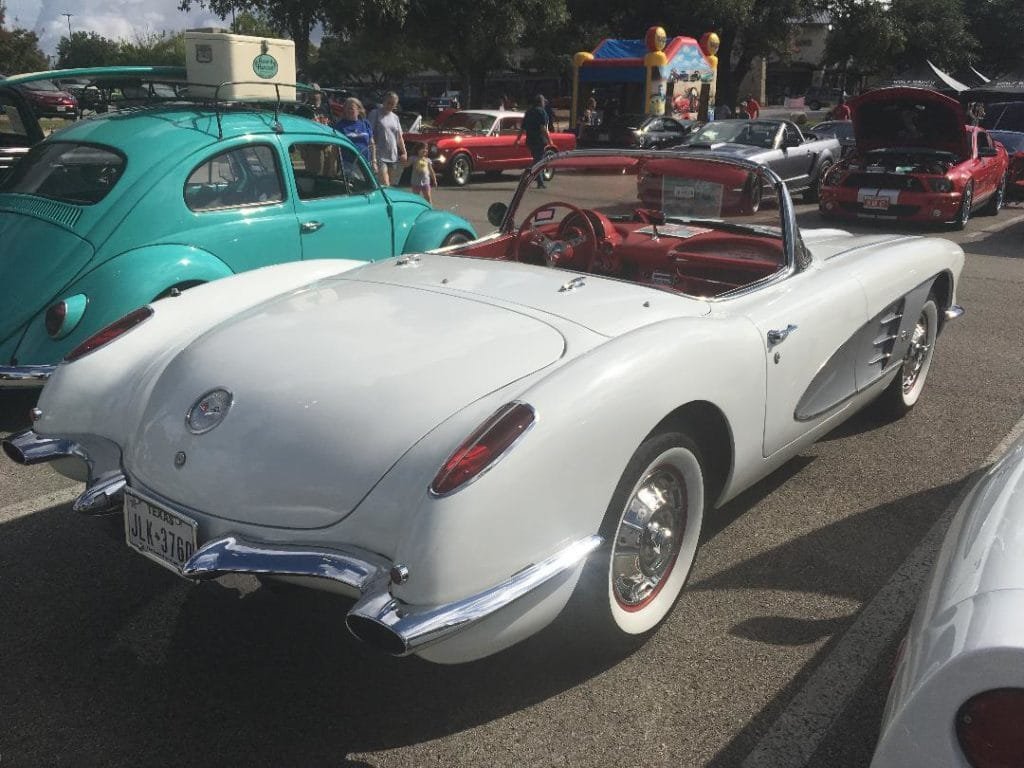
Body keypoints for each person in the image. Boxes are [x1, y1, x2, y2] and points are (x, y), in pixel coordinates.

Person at [368, 91, 407, 186]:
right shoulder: (375, 113)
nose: (390, 106)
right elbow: (369, 133)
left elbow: (399, 137)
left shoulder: (395, 117)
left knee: (390, 184)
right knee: (385, 183)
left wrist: (404, 152)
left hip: (393, 155)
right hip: (379, 154)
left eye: (393, 104)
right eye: (388, 102)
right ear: (384, 101)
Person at [515, 94, 551, 188]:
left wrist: (517, 139)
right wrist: (550, 140)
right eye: (543, 102)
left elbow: (522, 128)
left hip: (530, 140)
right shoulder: (541, 112)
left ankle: (540, 182)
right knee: (538, 161)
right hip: (539, 140)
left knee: (538, 159)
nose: (544, 104)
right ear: (541, 102)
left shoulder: (528, 112)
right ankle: (527, 174)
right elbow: (543, 127)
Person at [333, 97, 376, 169]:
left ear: (359, 110)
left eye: (351, 108)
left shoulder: (365, 123)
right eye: (347, 108)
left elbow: (371, 143)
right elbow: (335, 147)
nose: (349, 110)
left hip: (365, 163)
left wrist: (374, 161)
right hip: (348, 164)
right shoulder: (340, 126)